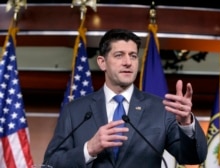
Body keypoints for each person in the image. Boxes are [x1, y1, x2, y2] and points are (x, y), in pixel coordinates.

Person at [43, 29, 207, 168]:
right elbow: (50, 163)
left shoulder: (161, 109)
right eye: (119, 55)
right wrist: (89, 149)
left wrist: (186, 124)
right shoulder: (75, 110)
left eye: (133, 56)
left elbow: (193, 158)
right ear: (102, 63)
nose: (128, 62)